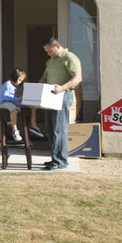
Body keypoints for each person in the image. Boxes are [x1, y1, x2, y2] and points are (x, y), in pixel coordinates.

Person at [39, 37, 82, 170]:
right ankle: (55, 158)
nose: (48, 54)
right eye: (46, 52)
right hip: (50, 97)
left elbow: (78, 78)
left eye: (50, 51)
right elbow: (45, 77)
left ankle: (60, 161)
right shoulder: (51, 61)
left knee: (59, 130)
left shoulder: (69, 58)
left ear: (57, 46)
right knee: (51, 130)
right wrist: (37, 88)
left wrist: (62, 88)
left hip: (63, 96)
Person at [0, 68, 27, 142]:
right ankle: (15, 131)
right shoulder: (7, 84)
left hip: (10, 102)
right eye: (20, 80)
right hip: (4, 102)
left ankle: (33, 126)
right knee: (14, 109)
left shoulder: (14, 86)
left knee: (27, 104)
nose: (20, 82)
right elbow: (5, 96)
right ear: (15, 77)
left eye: (22, 81)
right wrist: (17, 99)